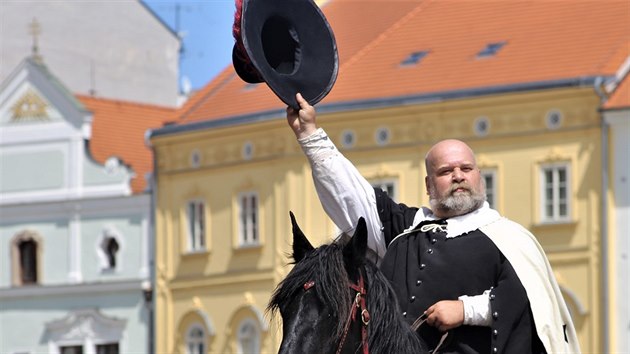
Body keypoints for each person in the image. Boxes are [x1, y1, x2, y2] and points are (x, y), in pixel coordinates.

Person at [286, 93, 581, 354]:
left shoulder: (510, 239)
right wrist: (310, 134)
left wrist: (466, 310)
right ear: (429, 184)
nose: (458, 176)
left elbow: (529, 299)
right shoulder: (404, 229)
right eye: (446, 171)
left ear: (479, 176)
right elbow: (351, 196)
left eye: (466, 168)